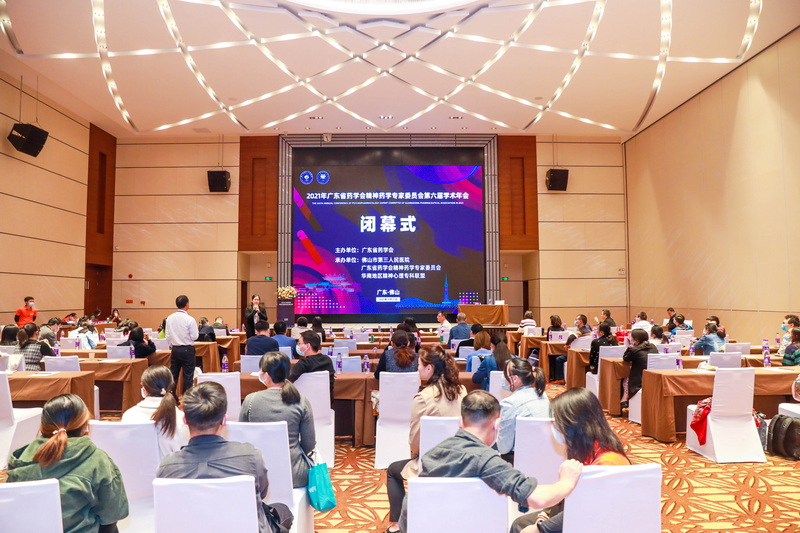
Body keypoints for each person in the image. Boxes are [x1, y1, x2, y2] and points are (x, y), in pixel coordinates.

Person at [397, 390, 583, 533]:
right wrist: (566, 482)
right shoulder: (486, 460)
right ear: (497, 425)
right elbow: (538, 498)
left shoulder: (432, 455)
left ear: (460, 422)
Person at [156, 382, 292, 533]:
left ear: (185, 420)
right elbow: (262, 492)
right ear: (224, 420)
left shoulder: (166, 467)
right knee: (283, 511)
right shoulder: (251, 457)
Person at [511, 388, 630, 533]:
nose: (555, 428)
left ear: (575, 424)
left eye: (558, 423)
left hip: (594, 522)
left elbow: (586, 511)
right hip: (578, 512)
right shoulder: (583, 448)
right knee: (520, 524)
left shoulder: (608, 463)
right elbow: (568, 493)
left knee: (522, 527)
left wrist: (540, 528)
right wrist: (544, 515)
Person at [6, 393, 129, 533]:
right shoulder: (98, 460)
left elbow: (11, 511)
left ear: (43, 426)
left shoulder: (19, 458)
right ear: (84, 425)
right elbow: (111, 515)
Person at [385, 346, 467, 533]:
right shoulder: (462, 391)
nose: (417, 369)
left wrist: (416, 456)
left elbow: (415, 439)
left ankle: (397, 526)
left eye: (419, 365)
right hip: (460, 459)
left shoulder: (423, 398)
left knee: (392, 470)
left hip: (432, 462)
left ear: (429, 368)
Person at [240, 351, 316, 487]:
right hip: (294, 474)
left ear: (266, 375)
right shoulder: (301, 401)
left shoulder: (250, 400)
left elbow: (243, 439)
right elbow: (309, 443)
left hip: (258, 474)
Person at [121, 366, 189, 458]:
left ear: (145, 389)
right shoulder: (182, 418)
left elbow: (125, 448)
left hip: (137, 466)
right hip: (172, 466)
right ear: (171, 387)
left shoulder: (129, 415)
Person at [497, 360, 549, 463]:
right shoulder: (542, 395)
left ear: (515, 379)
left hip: (521, 459)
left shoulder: (509, 403)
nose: (503, 378)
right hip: (545, 454)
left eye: (505, 375)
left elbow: (504, 448)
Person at [288, 330, 335, 403]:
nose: (297, 346)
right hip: (326, 403)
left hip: (305, 405)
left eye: (299, 343)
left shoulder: (303, 363)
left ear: (307, 346)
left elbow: (289, 379)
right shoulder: (327, 360)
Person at [165, 294, 199, 395]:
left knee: (173, 375)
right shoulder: (190, 319)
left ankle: (171, 397)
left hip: (175, 349)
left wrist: (172, 344)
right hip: (187, 349)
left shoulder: (169, 318)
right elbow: (194, 336)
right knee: (188, 376)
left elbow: (168, 335)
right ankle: (186, 398)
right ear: (187, 304)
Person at [620, 329, 658, 408]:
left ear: (636, 340)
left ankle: (624, 399)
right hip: (653, 377)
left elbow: (625, 358)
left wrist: (629, 348)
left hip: (638, 381)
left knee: (625, 377)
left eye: (632, 338)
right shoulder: (653, 347)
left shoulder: (634, 350)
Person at [553, 315, 590, 383]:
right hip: (585, 354)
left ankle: (560, 379)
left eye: (576, 319)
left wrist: (566, 345)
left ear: (580, 321)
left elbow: (571, 337)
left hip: (575, 355)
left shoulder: (581, 331)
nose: (575, 321)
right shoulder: (588, 331)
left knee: (559, 359)